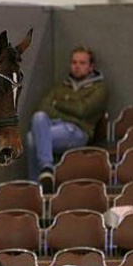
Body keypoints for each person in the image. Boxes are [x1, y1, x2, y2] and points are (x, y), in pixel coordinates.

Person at [26, 46, 108, 193]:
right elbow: (42, 107)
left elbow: (83, 110)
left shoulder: (99, 88)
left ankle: (36, 186)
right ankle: (45, 174)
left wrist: (57, 105)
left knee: (33, 138)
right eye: (74, 62)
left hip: (77, 131)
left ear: (90, 67)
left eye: (82, 63)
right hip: (53, 127)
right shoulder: (60, 86)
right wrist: (69, 109)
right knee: (38, 118)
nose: (77, 66)